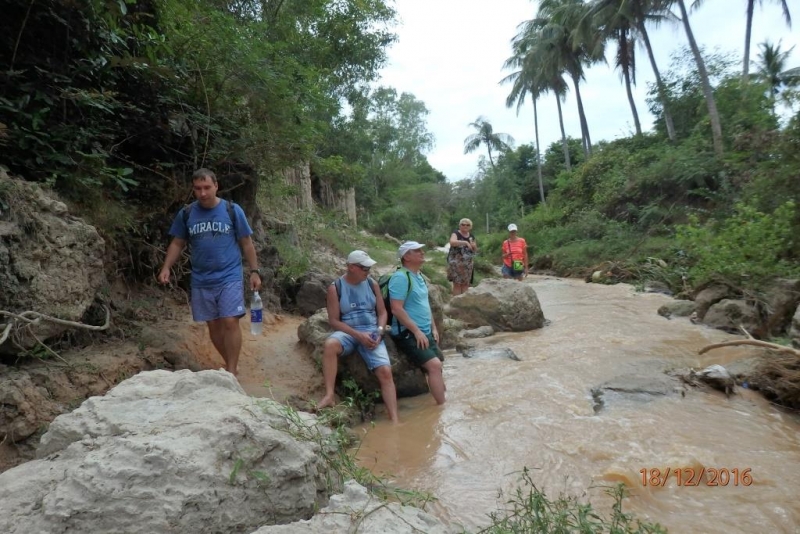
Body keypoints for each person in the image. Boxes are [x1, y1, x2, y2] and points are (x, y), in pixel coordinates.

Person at [158, 168, 262, 376]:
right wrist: (166, 266)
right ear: (193, 189)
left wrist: (254, 271)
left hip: (229, 275)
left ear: (216, 186)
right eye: (198, 189)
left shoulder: (232, 210)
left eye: (207, 187)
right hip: (201, 278)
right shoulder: (187, 214)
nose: (203, 193)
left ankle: (231, 371)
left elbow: (246, 243)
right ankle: (229, 362)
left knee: (230, 320)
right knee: (213, 325)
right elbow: (178, 242)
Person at [317, 250, 399, 422]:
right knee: (330, 345)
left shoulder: (372, 284)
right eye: (364, 268)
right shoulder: (336, 288)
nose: (367, 271)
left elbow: (383, 313)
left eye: (368, 268)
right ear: (351, 267)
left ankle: (395, 420)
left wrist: (379, 331)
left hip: (371, 330)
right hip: (347, 331)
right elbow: (334, 321)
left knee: (385, 371)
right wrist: (357, 335)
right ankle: (329, 395)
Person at [389, 241, 446, 405]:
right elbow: (396, 309)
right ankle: (441, 408)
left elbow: (425, 304)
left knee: (439, 362)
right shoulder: (400, 278)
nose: (422, 253)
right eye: (417, 251)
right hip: (408, 332)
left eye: (422, 250)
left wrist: (433, 328)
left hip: (424, 330)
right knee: (434, 365)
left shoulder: (419, 276)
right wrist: (416, 331)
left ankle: (439, 399)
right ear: (406, 256)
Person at [447, 218, 478, 296]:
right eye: (463, 224)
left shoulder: (471, 236)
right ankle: (456, 303)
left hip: (467, 264)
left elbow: (474, 250)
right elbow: (452, 242)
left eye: (468, 225)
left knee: (466, 284)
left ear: (470, 227)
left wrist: (474, 246)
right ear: (459, 225)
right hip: (456, 263)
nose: (465, 226)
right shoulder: (456, 233)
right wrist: (465, 242)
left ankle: (463, 303)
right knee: (457, 284)